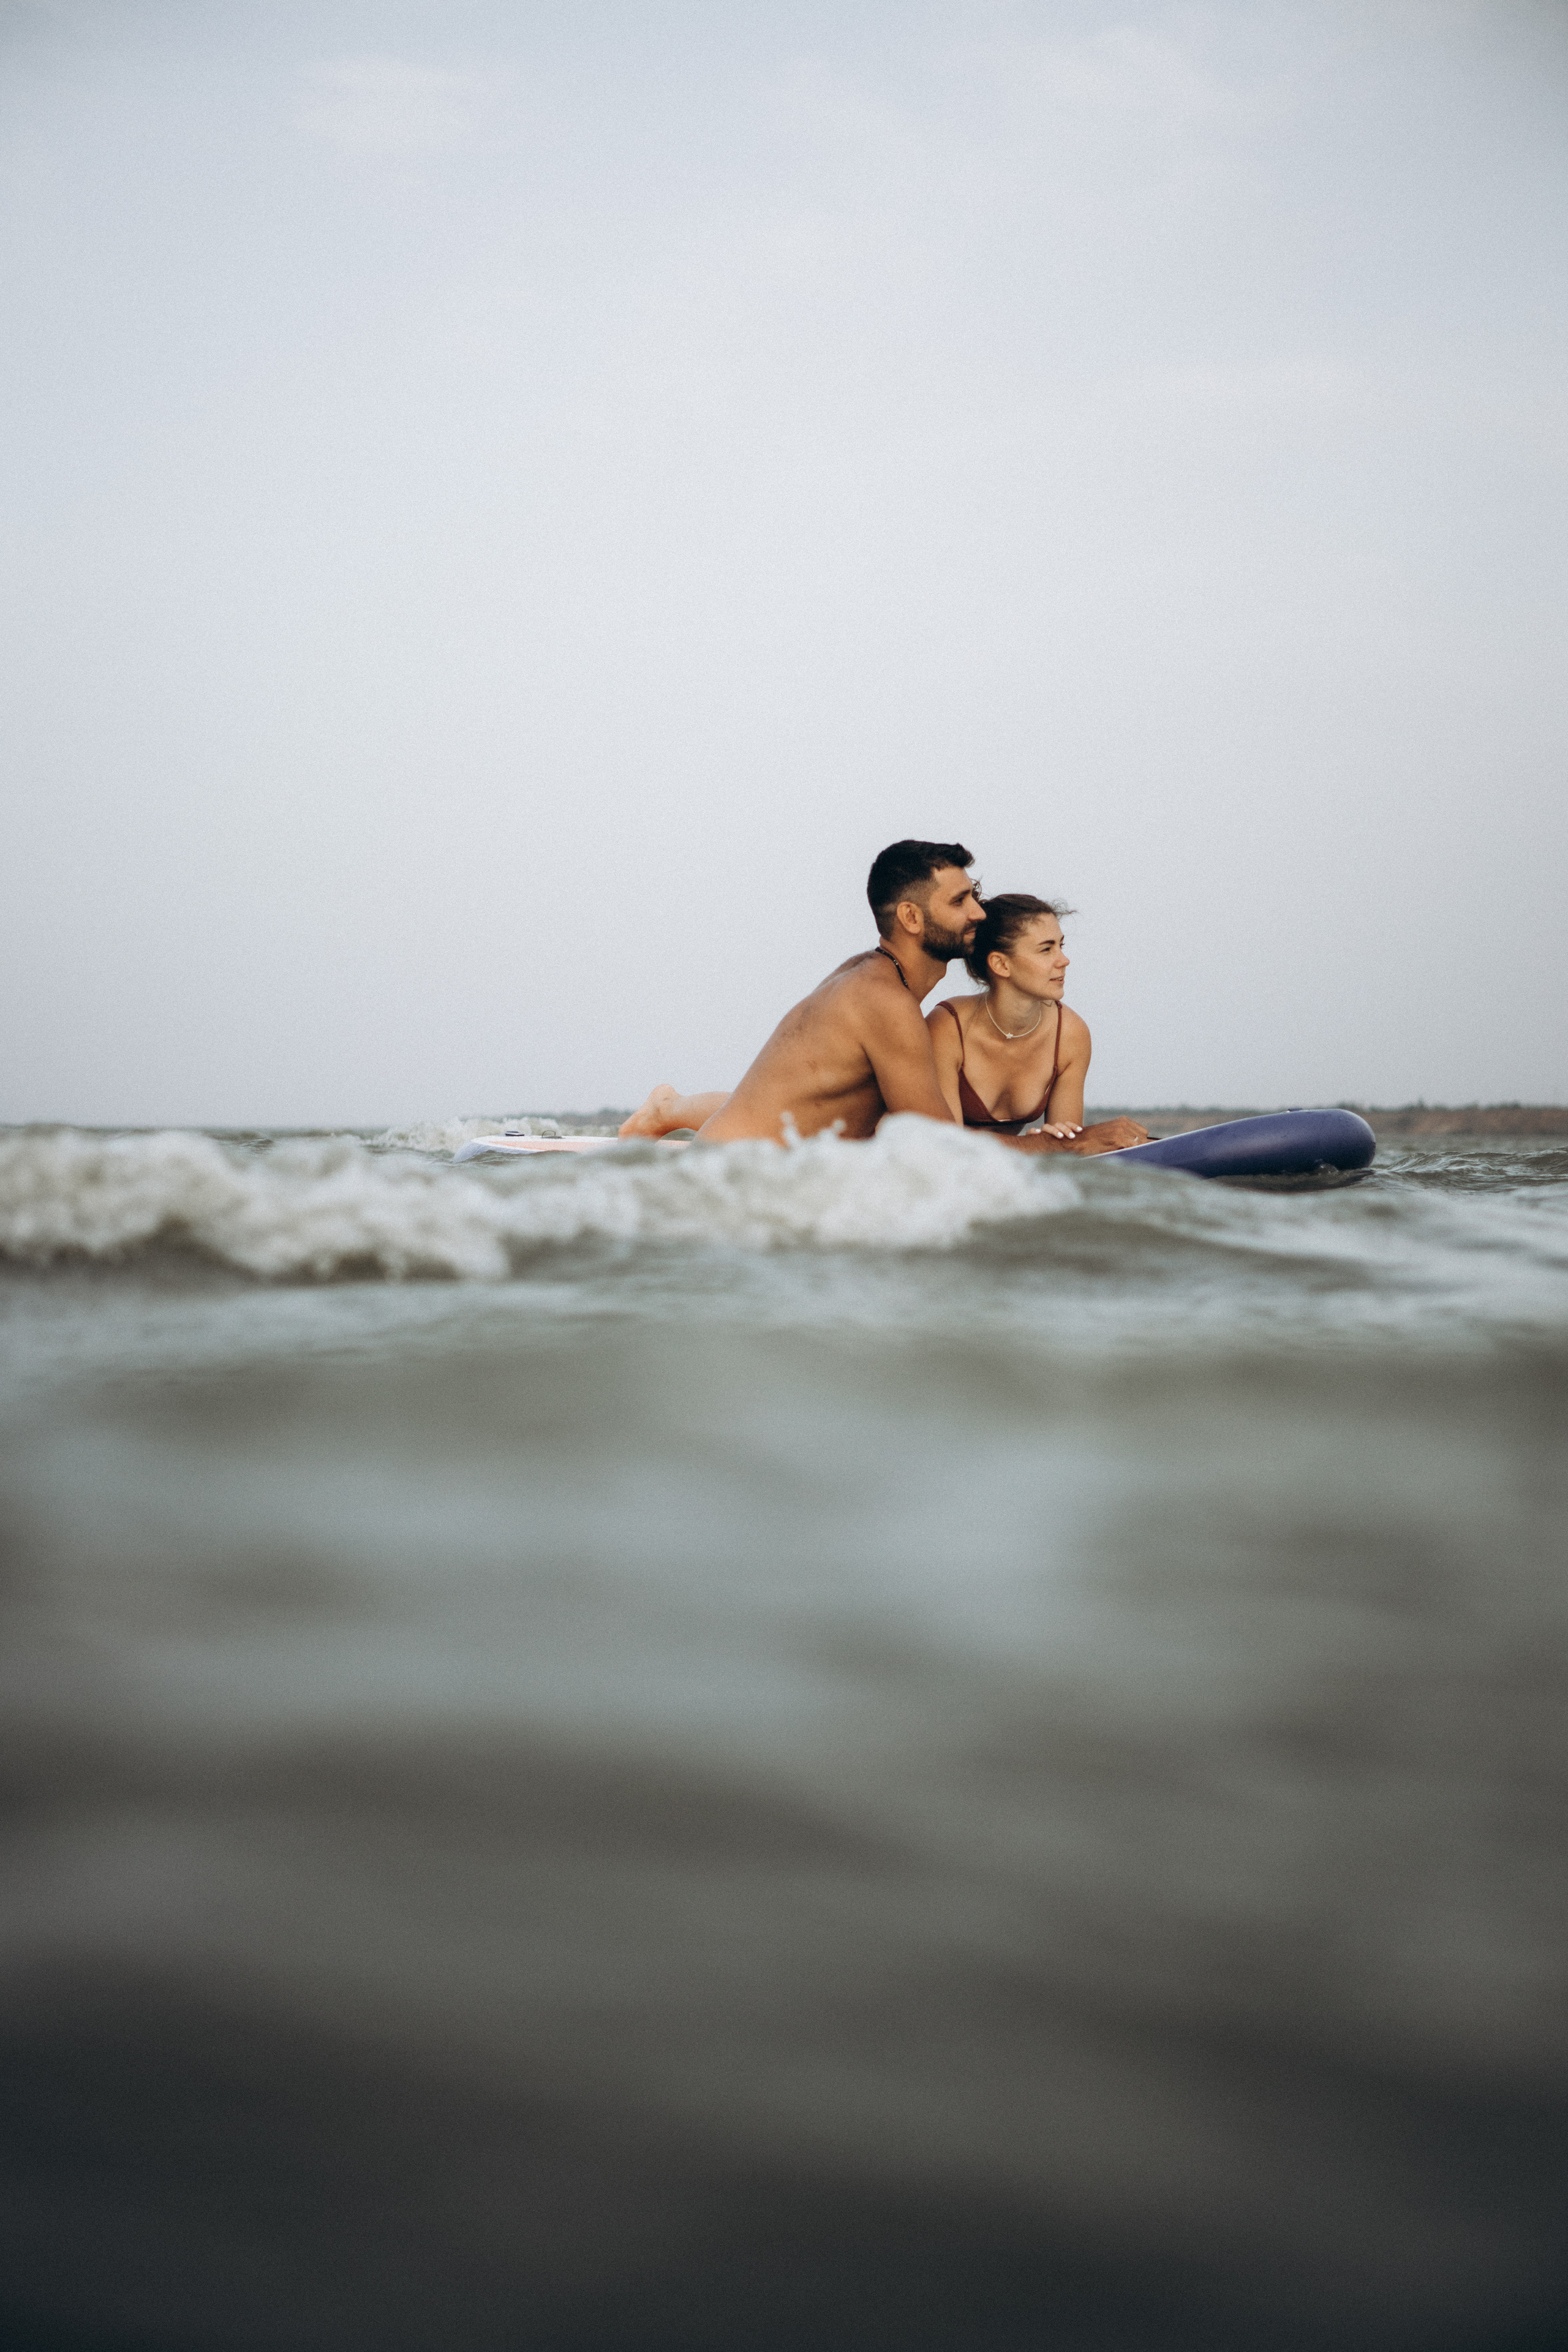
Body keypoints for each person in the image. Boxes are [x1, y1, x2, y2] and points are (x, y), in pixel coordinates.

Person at [619, 842, 1148, 1155]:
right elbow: (941, 1150)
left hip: (758, 1160)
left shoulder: (877, 981)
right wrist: (1071, 1144)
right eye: (961, 901)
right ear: (913, 919)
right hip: (735, 1184)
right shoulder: (883, 1001)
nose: (979, 914)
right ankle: (671, 1110)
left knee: (868, 1109)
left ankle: (670, 1109)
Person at [928, 893, 1090, 1139]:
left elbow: (1067, 1153)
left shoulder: (1070, 1033)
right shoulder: (948, 1027)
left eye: (1061, 946)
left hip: (1004, 1172)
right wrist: (1034, 1147)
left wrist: (1052, 1142)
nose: (1064, 960)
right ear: (1001, 965)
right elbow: (946, 1151)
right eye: (1046, 949)